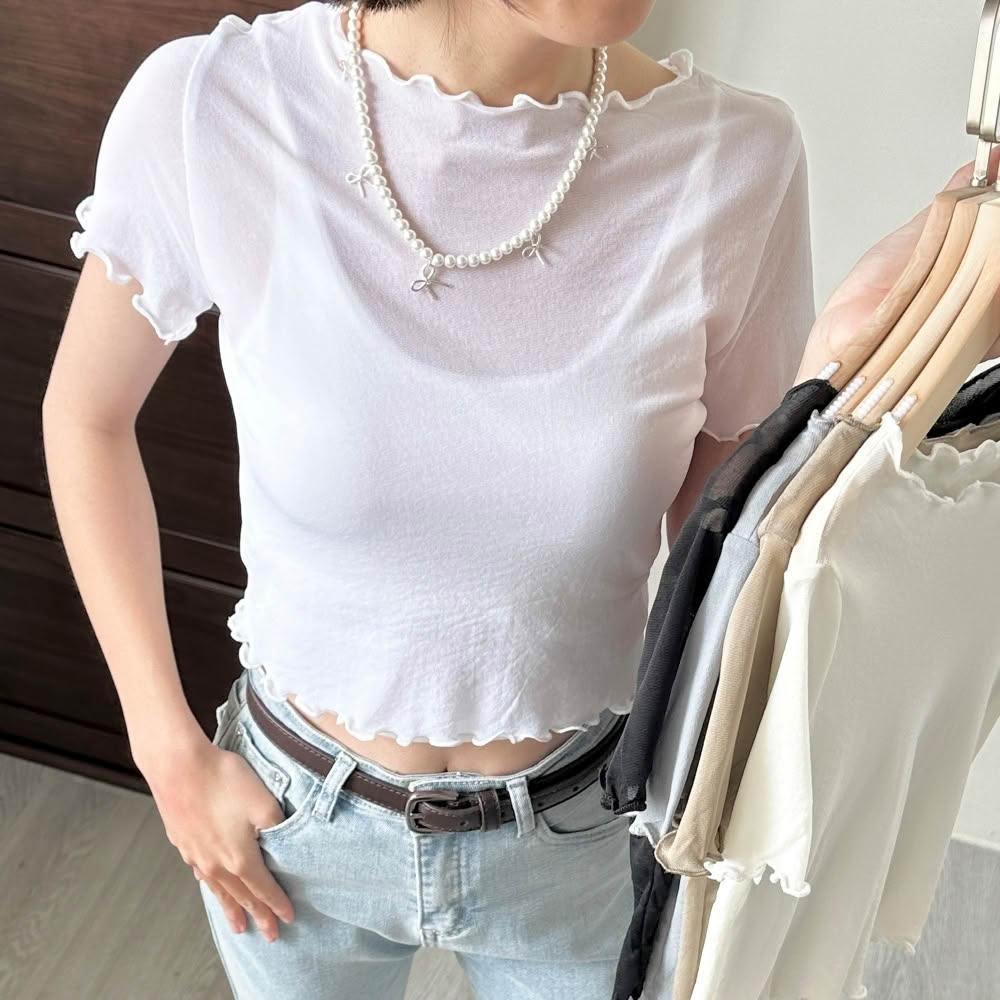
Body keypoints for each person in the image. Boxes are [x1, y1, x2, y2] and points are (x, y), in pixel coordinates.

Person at [41, 0, 990, 996]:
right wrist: (167, 751)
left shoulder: (733, 160)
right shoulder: (219, 102)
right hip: (292, 836)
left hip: (579, 840)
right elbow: (87, 417)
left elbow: (724, 560)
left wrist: (851, 366)